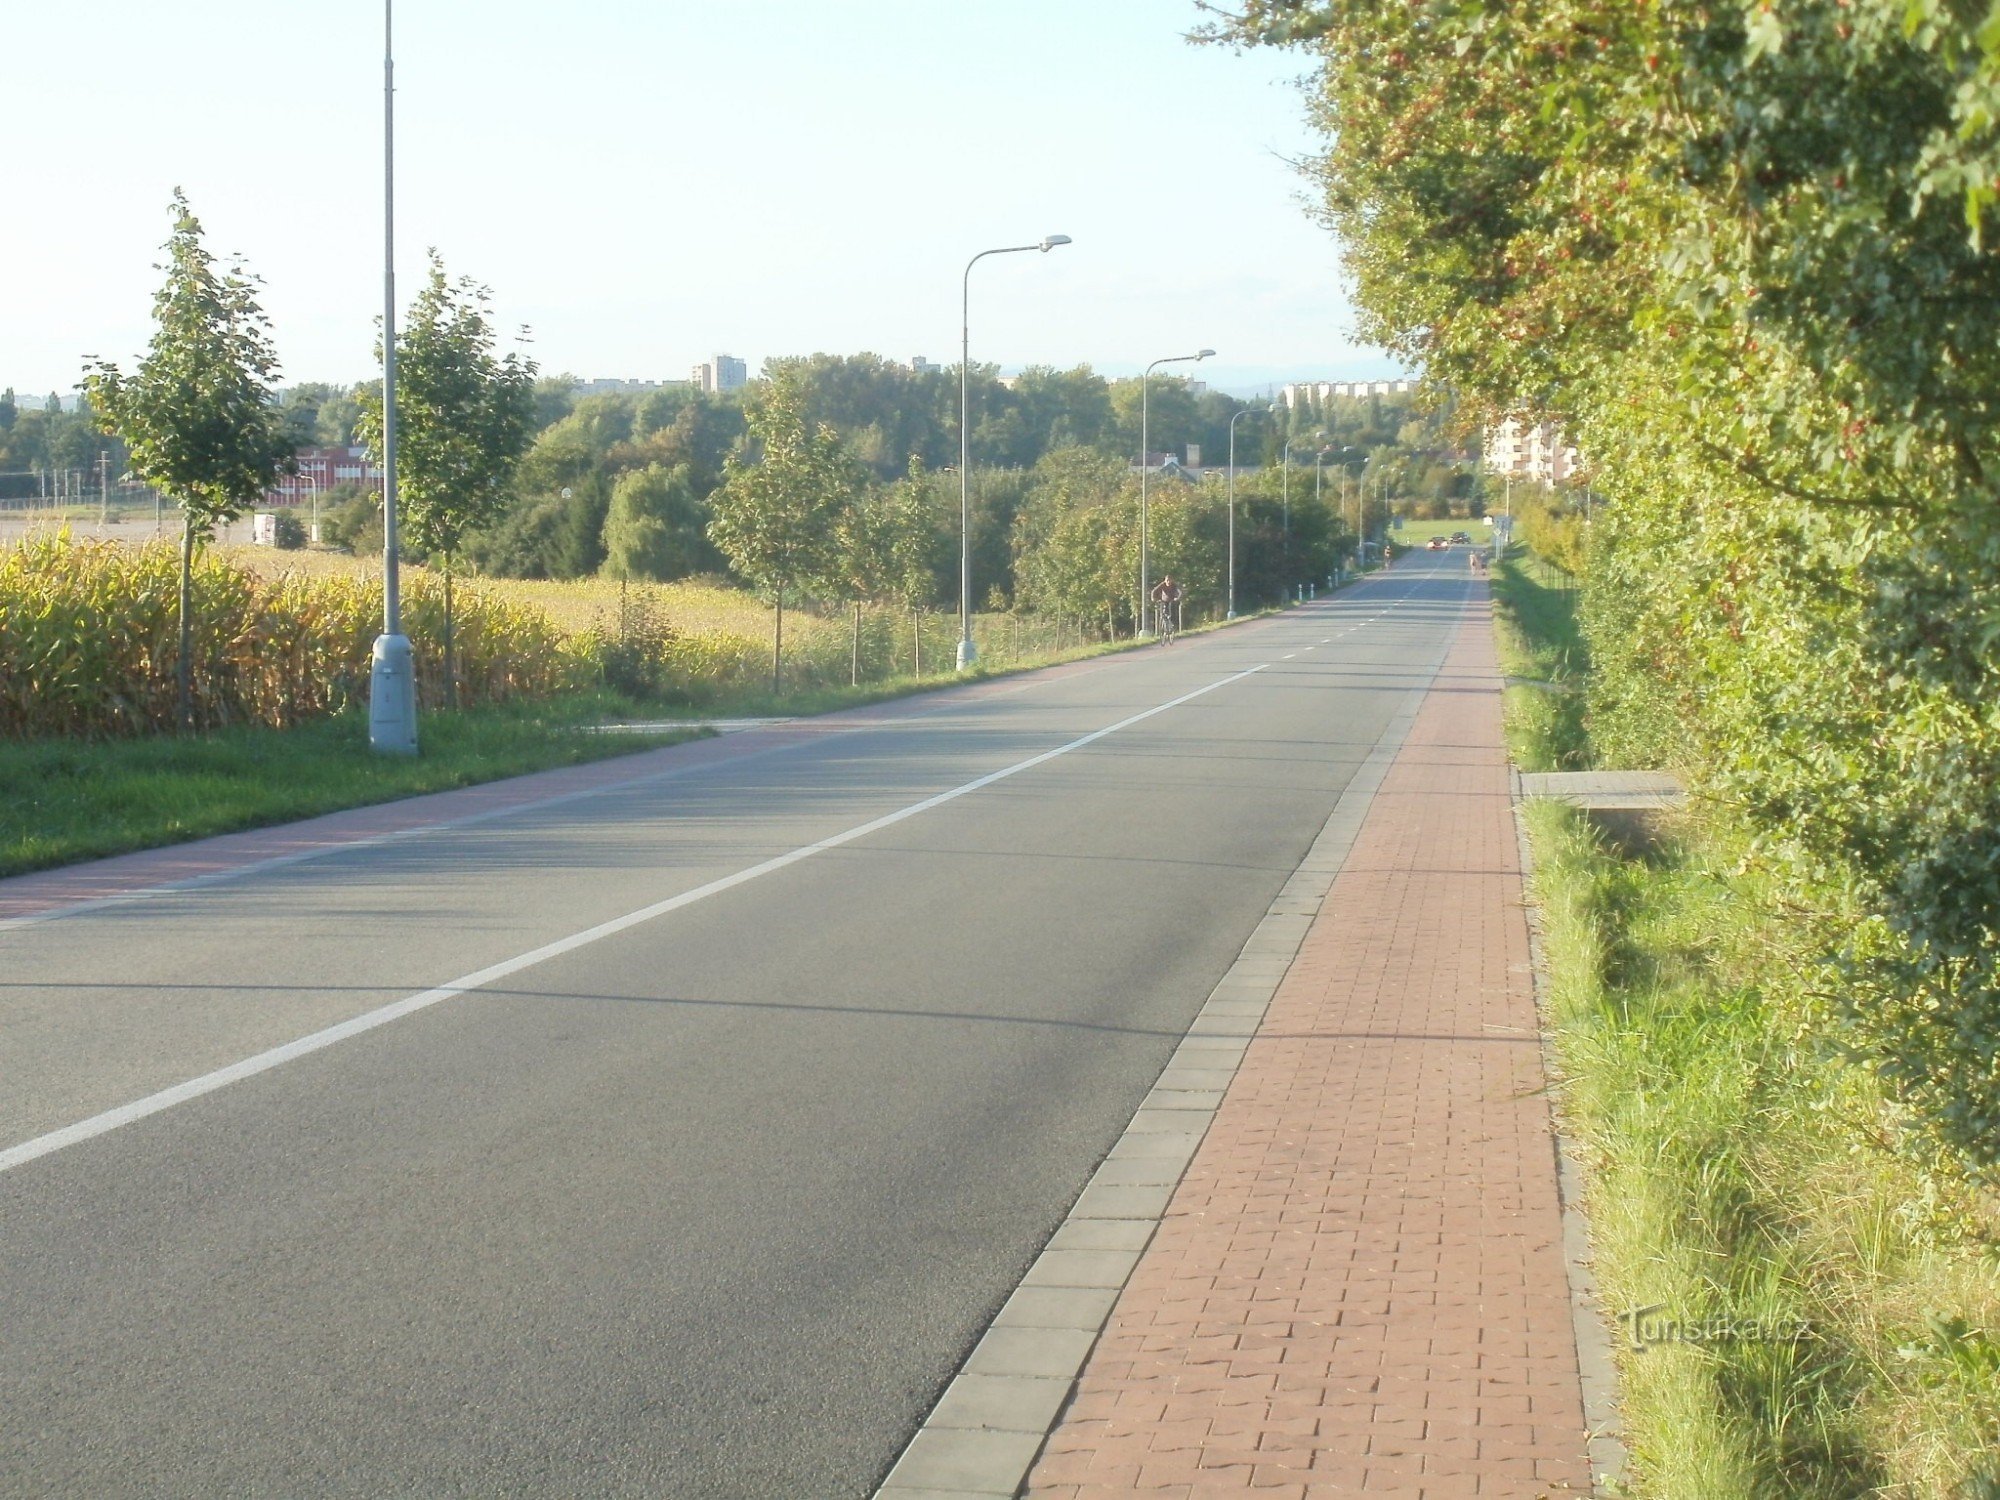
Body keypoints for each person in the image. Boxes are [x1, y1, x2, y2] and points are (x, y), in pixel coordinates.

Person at [1149, 574, 1183, 640]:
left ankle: (1171, 626)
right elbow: (1154, 591)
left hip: (1172, 600)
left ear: (1172, 581)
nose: (1168, 582)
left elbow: (1180, 592)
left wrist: (1177, 598)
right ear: (1165, 581)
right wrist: (1153, 598)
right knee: (1163, 613)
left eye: (1170, 581)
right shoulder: (1162, 585)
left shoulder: (1174, 585)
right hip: (1164, 600)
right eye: (1167, 581)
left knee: (1172, 613)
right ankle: (1164, 627)